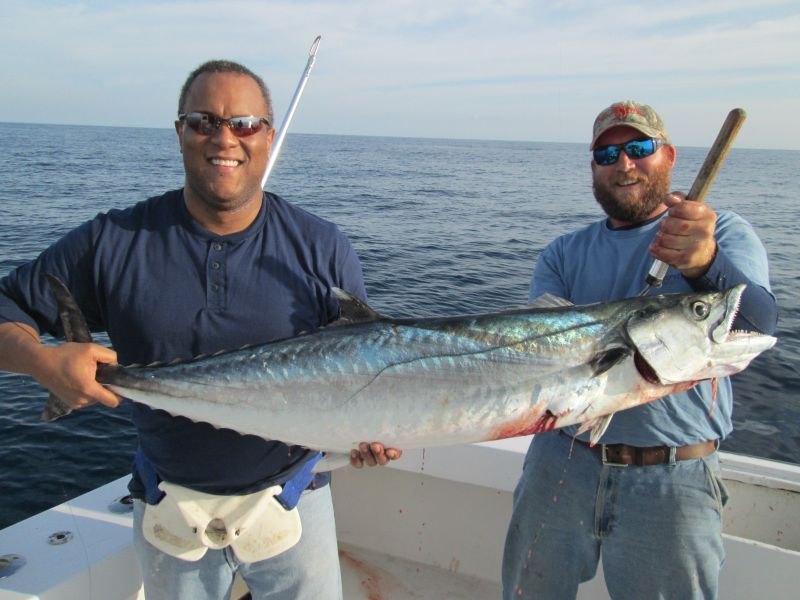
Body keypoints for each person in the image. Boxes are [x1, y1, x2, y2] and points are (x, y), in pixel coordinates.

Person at [0, 60, 399, 599]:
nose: (224, 138)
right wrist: (43, 361)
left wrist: (376, 431)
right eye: (203, 121)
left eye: (244, 124)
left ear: (267, 136)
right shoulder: (114, 241)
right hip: (170, 505)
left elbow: (362, 373)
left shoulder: (323, 248)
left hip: (295, 501)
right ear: (179, 132)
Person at [502, 100, 777, 600]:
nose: (623, 163)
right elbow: (536, 358)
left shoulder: (722, 232)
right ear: (593, 169)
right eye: (606, 155)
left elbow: (757, 322)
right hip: (560, 461)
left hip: (674, 477)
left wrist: (705, 264)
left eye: (638, 148)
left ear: (668, 155)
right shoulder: (563, 253)